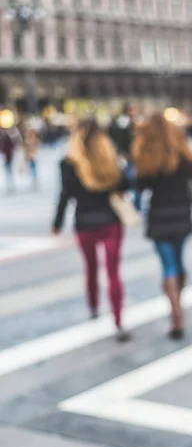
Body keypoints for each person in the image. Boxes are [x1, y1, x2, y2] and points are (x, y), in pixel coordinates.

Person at [52, 120, 132, 342]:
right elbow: (125, 186)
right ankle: (118, 320)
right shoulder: (110, 160)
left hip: (85, 224)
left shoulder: (68, 164)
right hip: (111, 223)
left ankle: (94, 307)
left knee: (91, 269)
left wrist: (57, 223)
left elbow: (65, 195)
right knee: (114, 273)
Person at [134, 113, 192, 340]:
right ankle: (178, 304)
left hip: (159, 216)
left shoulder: (148, 156)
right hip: (181, 214)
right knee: (179, 262)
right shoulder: (180, 153)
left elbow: (139, 185)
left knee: (168, 266)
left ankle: (176, 313)